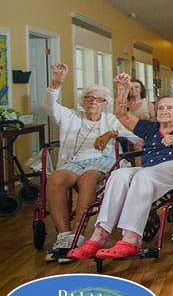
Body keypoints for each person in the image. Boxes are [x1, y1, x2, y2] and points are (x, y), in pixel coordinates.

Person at [67, 74, 173, 261]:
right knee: (119, 175)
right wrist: (122, 89)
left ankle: (131, 239)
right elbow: (121, 115)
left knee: (142, 177)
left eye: (170, 107)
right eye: (161, 107)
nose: (164, 111)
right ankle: (99, 236)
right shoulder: (150, 128)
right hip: (151, 170)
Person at [42, 63, 135, 262]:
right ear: (82, 101)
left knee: (88, 179)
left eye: (99, 99)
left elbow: (133, 135)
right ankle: (64, 236)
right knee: (56, 178)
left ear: (105, 103)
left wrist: (112, 133)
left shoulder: (110, 119)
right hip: (73, 160)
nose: (93, 102)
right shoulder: (71, 116)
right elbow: (50, 107)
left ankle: (78, 236)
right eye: (89, 98)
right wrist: (55, 84)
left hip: (101, 161)